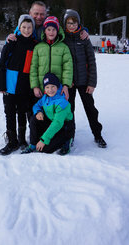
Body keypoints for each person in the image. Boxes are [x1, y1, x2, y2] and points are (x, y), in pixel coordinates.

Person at [63, 9, 107, 148]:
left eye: (74, 22)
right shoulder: (62, 38)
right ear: (65, 24)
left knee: (90, 109)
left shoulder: (84, 38)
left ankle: (97, 135)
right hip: (69, 82)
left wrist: (92, 83)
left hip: (84, 82)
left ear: (78, 23)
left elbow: (92, 62)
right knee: (69, 110)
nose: (72, 25)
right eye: (69, 23)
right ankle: (70, 136)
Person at [0, 14, 37, 155]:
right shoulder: (11, 43)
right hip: (9, 86)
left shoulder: (34, 44)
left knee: (22, 112)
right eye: (24, 27)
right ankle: (12, 140)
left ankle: (21, 139)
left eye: (29, 27)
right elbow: (1, 65)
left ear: (33, 28)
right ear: (19, 28)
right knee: (10, 113)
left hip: (24, 87)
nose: (26, 30)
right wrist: (1, 85)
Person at [22, 73, 74, 155]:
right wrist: (39, 112)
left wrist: (43, 140)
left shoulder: (62, 101)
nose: (50, 90)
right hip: (51, 122)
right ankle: (33, 145)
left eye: (53, 86)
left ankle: (67, 140)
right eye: (47, 87)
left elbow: (57, 123)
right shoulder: (46, 97)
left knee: (45, 149)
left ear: (57, 86)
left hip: (64, 127)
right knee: (34, 118)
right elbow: (36, 105)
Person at [30, 16, 73, 101]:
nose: (51, 32)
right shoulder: (38, 47)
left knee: (58, 112)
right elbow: (33, 68)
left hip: (58, 89)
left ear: (57, 31)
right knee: (40, 112)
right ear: (44, 31)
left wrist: (65, 85)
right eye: (48, 29)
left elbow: (68, 68)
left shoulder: (64, 48)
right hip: (42, 89)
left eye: (54, 29)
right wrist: (35, 86)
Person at [6, 1, 89, 42]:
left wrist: (82, 30)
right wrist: (9, 38)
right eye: (36, 14)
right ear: (30, 13)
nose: (39, 17)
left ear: (46, 14)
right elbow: (14, 38)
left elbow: (67, 31)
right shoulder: (22, 28)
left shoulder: (50, 27)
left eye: (42, 14)